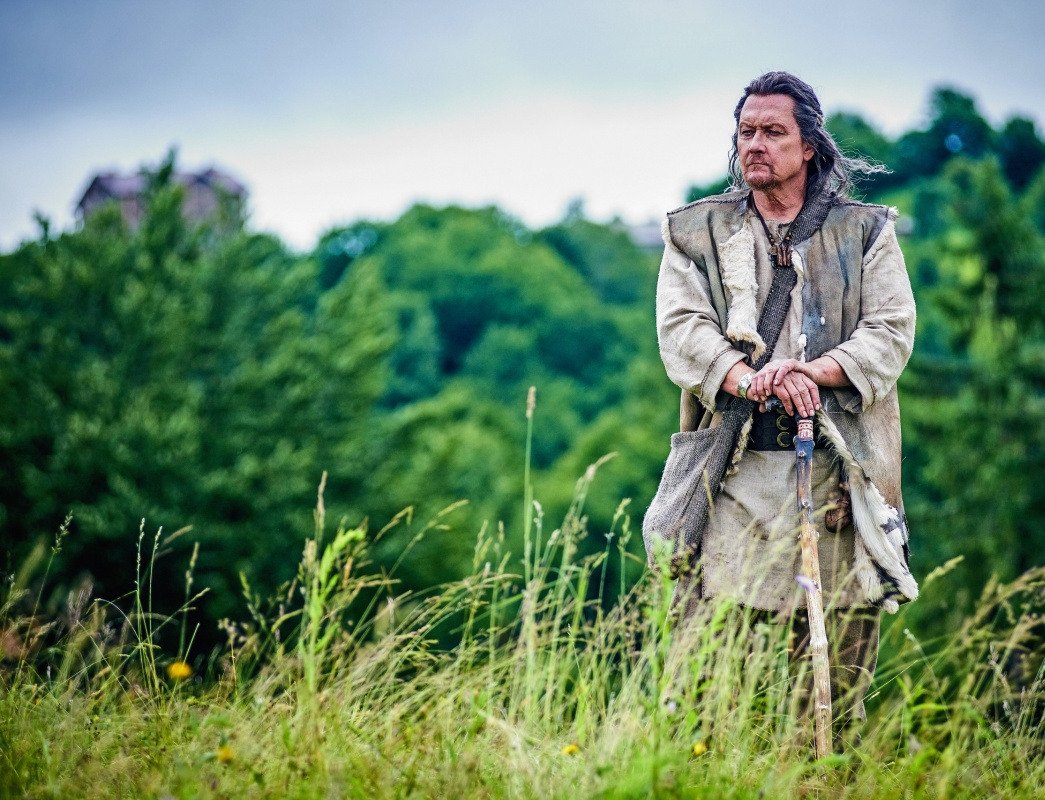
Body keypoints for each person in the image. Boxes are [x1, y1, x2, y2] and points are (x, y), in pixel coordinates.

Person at [646, 71, 919, 746]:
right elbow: (681, 331)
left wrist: (810, 374)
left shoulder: (865, 232)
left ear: (808, 146)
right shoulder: (696, 231)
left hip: (839, 479)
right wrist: (751, 380)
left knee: (831, 695)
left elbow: (889, 332)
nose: (755, 145)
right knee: (706, 681)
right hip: (733, 475)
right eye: (746, 132)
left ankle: (820, 781)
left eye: (773, 132)